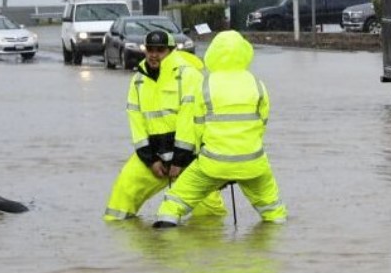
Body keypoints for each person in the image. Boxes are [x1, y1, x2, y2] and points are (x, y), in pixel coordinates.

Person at [154, 30, 286, 228]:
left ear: (213, 52)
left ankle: (166, 240)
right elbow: (262, 122)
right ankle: (278, 243)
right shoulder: (256, 83)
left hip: (212, 162)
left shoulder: (205, 84)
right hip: (253, 161)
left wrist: (202, 152)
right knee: (273, 208)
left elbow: (197, 126)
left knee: (174, 202)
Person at [103, 30, 226, 221]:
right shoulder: (138, 81)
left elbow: (190, 119)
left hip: (190, 158)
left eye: (160, 50)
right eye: (149, 49)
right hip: (154, 156)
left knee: (209, 215)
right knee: (122, 196)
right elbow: (136, 123)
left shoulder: (189, 75)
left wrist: (179, 160)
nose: (153, 54)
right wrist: (150, 160)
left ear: (171, 50)